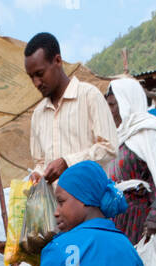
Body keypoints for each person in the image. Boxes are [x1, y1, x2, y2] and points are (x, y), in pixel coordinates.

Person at [24, 33, 117, 182]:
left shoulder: (89, 96)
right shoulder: (38, 114)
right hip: (54, 204)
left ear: (58, 61)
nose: (36, 83)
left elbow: (109, 148)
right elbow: (40, 162)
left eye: (40, 74)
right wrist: (37, 174)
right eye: (31, 77)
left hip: (89, 203)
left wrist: (68, 162)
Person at [105, 77, 156, 247]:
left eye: (113, 104)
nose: (109, 110)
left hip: (138, 218)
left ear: (127, 103)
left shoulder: (147, 132)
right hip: (114, 217)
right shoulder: (116, 136)